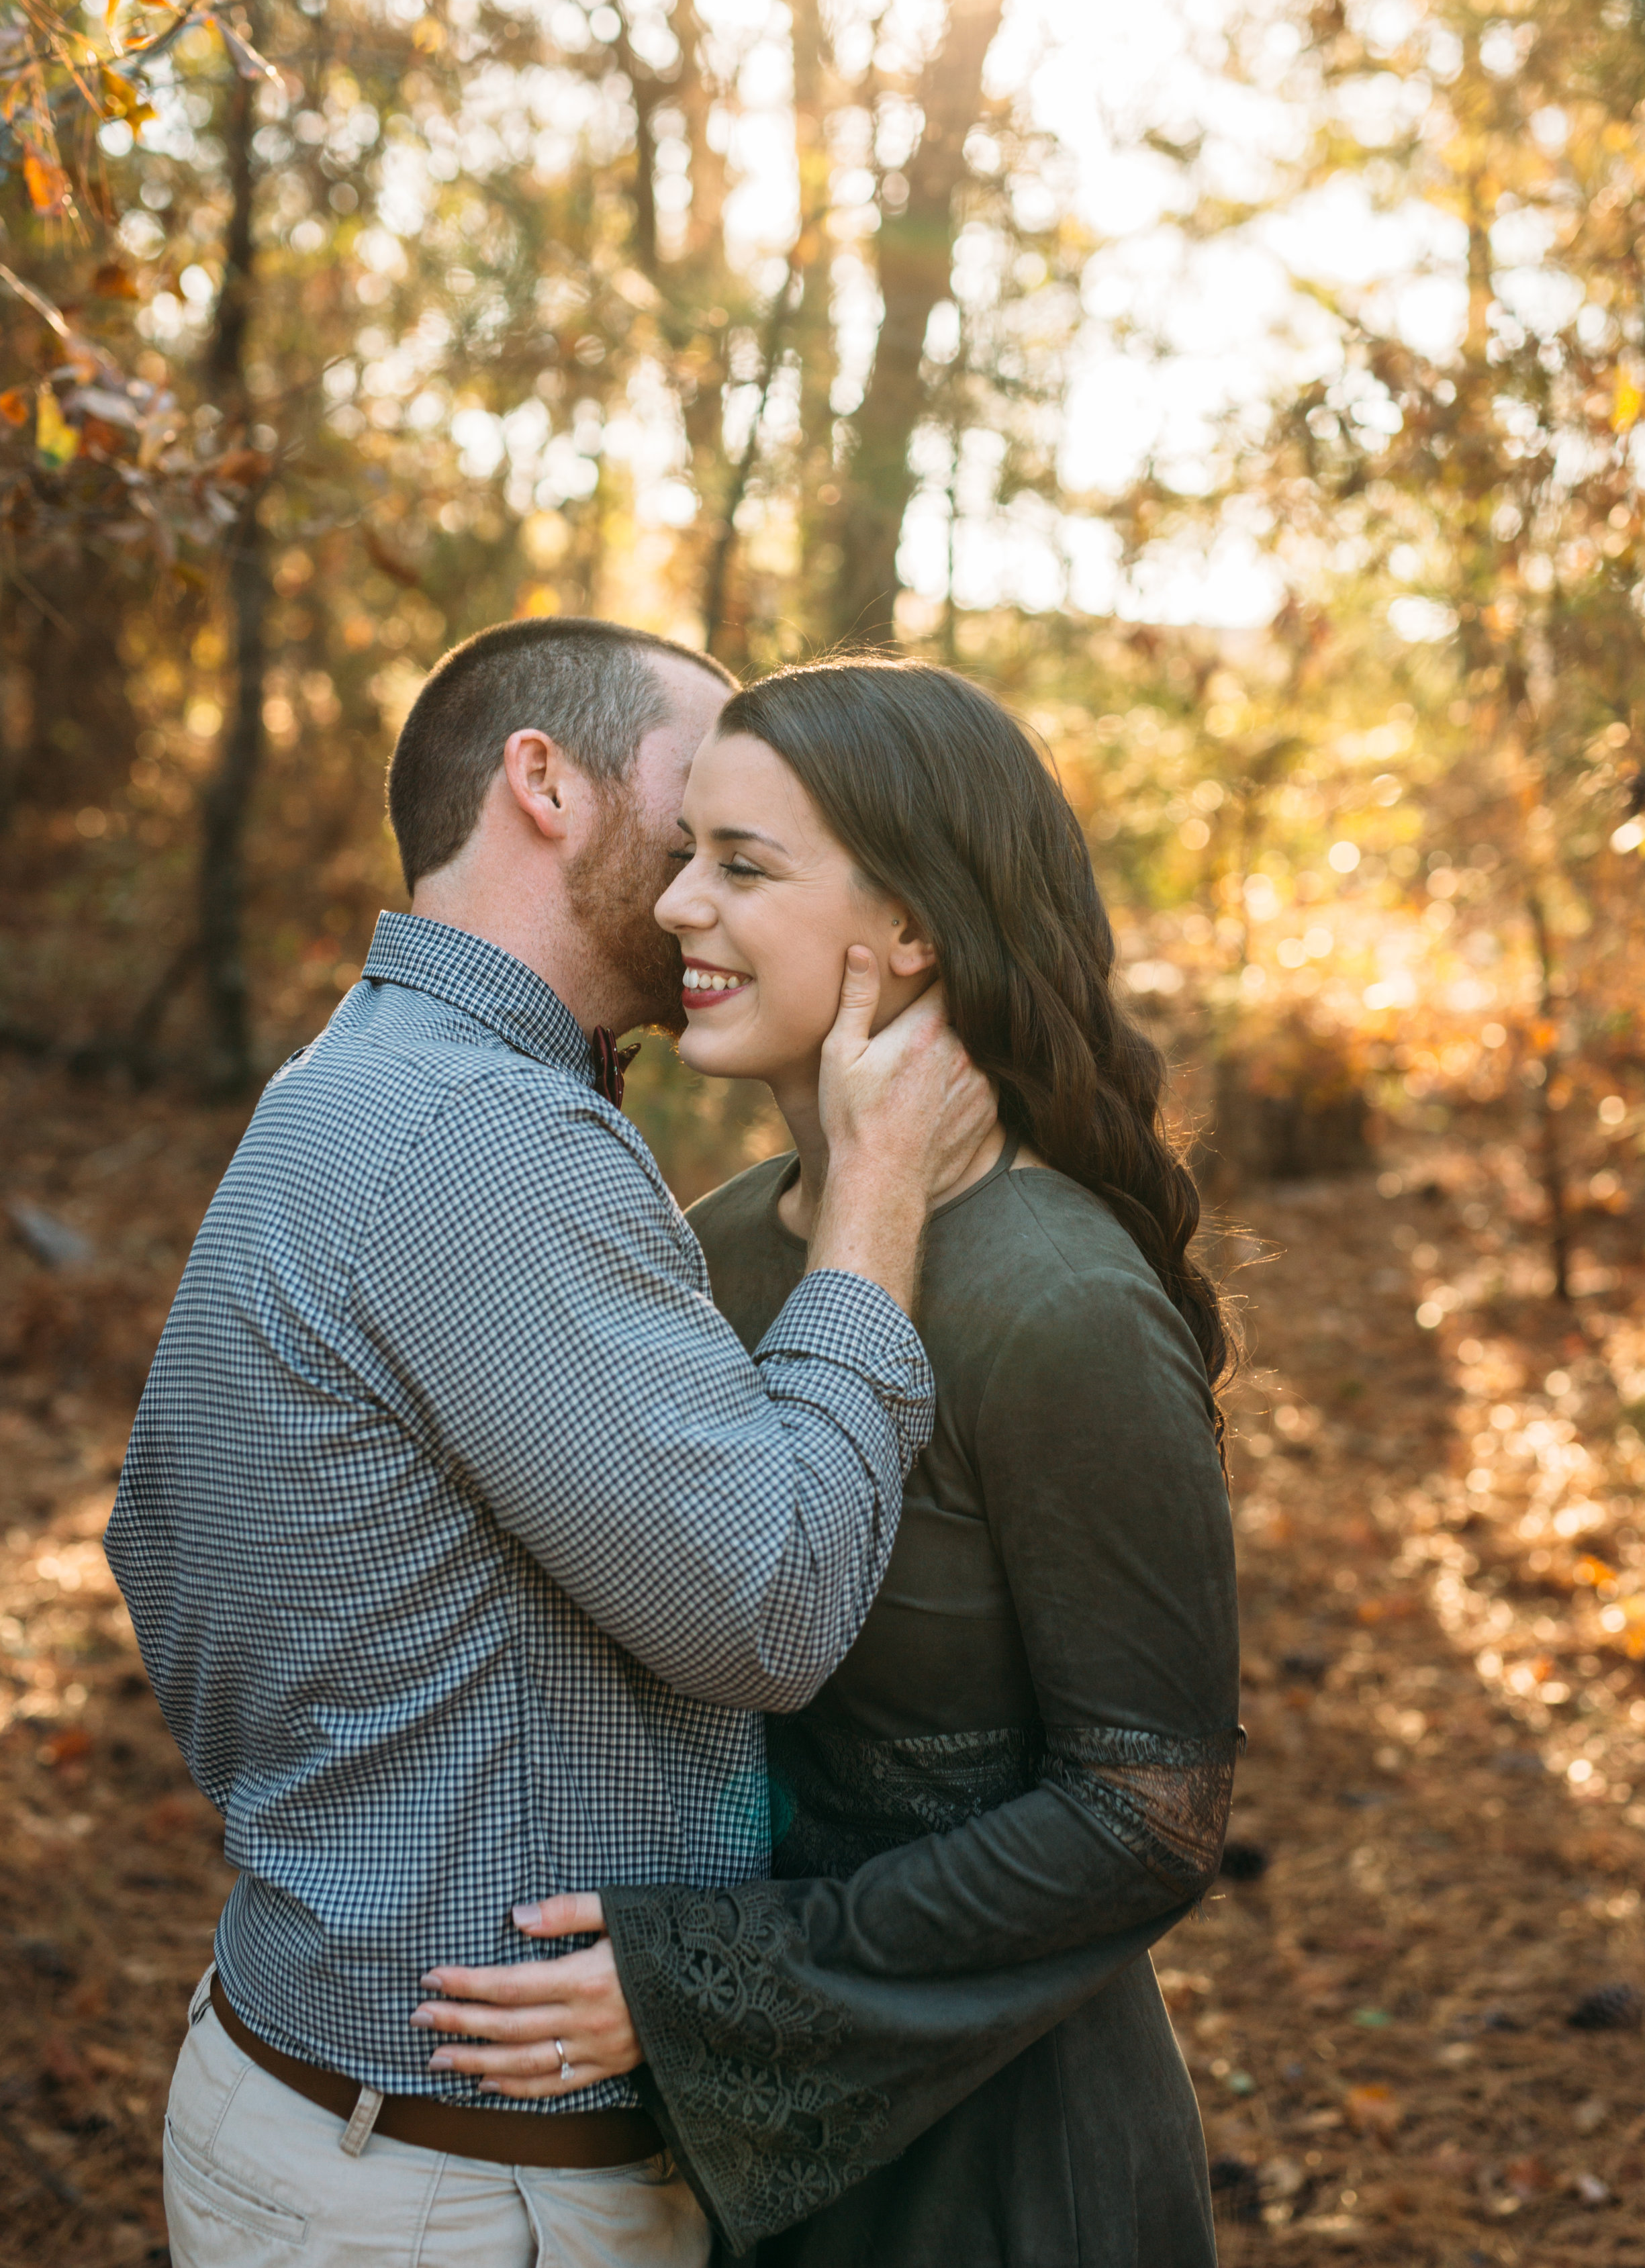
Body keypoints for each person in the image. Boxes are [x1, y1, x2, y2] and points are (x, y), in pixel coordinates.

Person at [104, 618, 995, 2268]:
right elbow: (769, 1610)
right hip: (455, 2189)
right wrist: (875, 1198)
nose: (700, 882)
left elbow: (154, 1548)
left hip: (319, 2101)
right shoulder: (484, 1140)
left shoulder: (353, 1080)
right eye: (697, 816)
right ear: (544, 783)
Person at [412, 656, 1243, 2266]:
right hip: (739, 2149)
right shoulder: (711, 1247)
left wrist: (703, 1974)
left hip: (999, 2156)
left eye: (742, 867)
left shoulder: (1059, 1299)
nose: (672, 912)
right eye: (681, 854)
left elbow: (1149, 1814)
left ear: (912, 929)